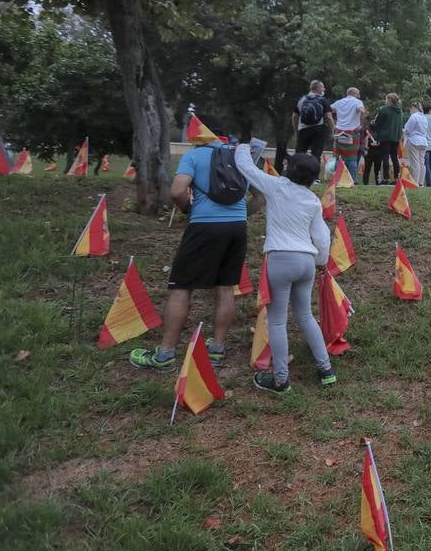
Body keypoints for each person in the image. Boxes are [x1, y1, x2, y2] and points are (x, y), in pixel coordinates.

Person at [130, 130, 247, 372]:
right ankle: (217, 351)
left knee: (181, 287)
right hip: (237, 227)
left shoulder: (194, 156)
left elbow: (177, 191)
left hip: (203, 226)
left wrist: (186, 208)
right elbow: (258, 196)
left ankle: (165, 355)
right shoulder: (238, 155)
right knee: (225, 287)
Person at [232, 143, 336, 394]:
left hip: (280, 259)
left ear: (289, 170)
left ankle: (281, 380)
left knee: (277, 322)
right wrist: (322, 262)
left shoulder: (276, 187)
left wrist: (243, 147)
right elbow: (322, 237)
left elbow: (245, 167)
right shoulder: (312, 200)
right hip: (307, 262)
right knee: (305, 316)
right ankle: (326, 370)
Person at [330, 87, 366, 182]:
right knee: (352, 158)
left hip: (339, 131)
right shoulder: (357, 102)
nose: (359, 96)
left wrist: (333, 125)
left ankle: (336, 179)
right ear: (356, 94)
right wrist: (361, 125)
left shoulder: (338, 102)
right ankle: (353, 180)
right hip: (352, 132)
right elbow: (362, 111)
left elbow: (328, 111)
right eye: (358, 94)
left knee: (337, 157)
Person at [292, 80, 332, 162]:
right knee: (316, 155)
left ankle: (297, 173)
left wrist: (296, 131)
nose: (324, 89)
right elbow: (329, 117)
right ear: (318, 88)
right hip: (319, 129)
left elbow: (294, 116)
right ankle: (313, 173)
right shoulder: (322, 100)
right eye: (323, 87)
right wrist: (332, 131)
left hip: (303, 129)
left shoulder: (301, 99)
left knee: (299, 153)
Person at [372, 93, 403, 184]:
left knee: (385, 157)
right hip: (396, 137)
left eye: (386, 99)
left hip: (385, 136)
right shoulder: (400, 111)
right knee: (394, 158)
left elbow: (378, 122)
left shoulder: (384, 109)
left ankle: (386, 178)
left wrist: (374, 123)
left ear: (389, 100)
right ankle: (397, 178)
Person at [402, 100, 429, 187]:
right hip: (423, 141)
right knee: (422, 162)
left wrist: (403, 130)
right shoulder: (424, 117)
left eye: (411, 108)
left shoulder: (414, 116)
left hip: (414, 140)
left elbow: (407, 129)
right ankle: (421, 182)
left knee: (415, 162)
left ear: (414, 108)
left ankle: (415, 182)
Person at [360, 118, 383, 186]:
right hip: (369, 152)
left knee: (377, 169)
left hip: (378, 152)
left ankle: (378, 183)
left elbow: (383, 139)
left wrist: (379, 143)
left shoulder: (380, 130)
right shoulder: (366, 130)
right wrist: (370, 144)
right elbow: (364, 140)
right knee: (367, 168)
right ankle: (365, 183)